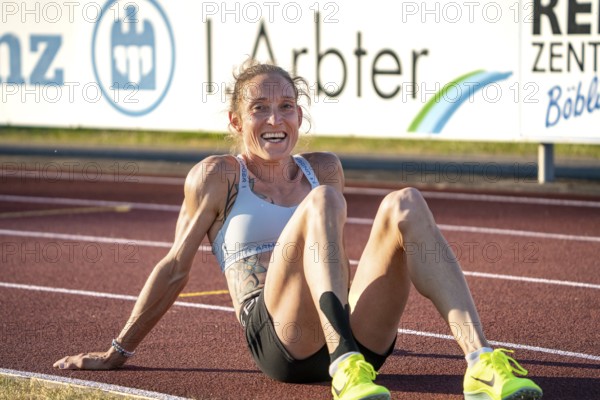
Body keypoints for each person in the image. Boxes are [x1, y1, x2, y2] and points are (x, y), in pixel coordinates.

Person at [54, 60, 543, 400]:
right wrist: (117, 352)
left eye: (286, 106)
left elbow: (335, 258)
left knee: (405, 202)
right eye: (259, 109)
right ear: (235, 120)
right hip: (279, 343)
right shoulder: (217, 176)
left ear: (300, 115)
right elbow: (175, 267)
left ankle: (479, 360)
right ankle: (344, 363)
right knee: (324, 202)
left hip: (353, 337)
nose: (274, 119)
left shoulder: (324, 168)